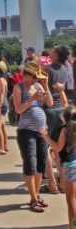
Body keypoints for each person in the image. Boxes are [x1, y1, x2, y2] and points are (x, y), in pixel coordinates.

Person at [12, 60, 53, 213]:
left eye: (38, 77)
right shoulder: (19, 88)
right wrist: (31, 99)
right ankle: (33, 199)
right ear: (26, 75)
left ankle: (36, 194)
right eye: (34, 77)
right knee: (30, 164)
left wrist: (46, 85)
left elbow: (48, 102)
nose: (36, 79)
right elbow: (19, 109)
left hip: (41, 131)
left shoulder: (38, 86)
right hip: (26, 131)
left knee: (41, 165)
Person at [41, 105, 76, 229]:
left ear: (64, 117)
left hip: (69, 166)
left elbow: (57, 147)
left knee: (71, 201)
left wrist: (45, 136)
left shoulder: (65, 129)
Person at [42, 45, 69, 194]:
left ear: (56, 55)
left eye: (53, 50)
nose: (50, 51)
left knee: (45, 146)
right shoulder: (64, 69)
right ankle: (63, 181)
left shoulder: (47, 70)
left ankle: (52, 183)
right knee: (57, 148)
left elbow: (43, 89)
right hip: (60, 110)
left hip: (48, 110)